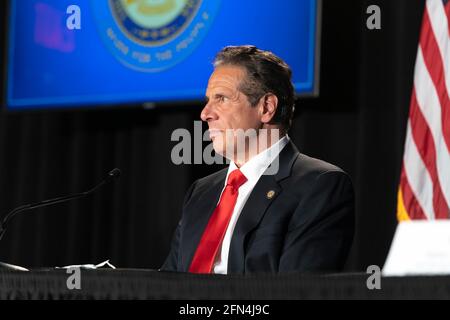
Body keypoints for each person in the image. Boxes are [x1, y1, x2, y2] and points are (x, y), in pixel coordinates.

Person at [161, 45, 354, 274]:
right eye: (208, 100)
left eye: (221, 98)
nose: (205, 113)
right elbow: (168, 283)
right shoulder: (201, 192)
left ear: (266, 107)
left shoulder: (320, 185)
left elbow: (298, 291)